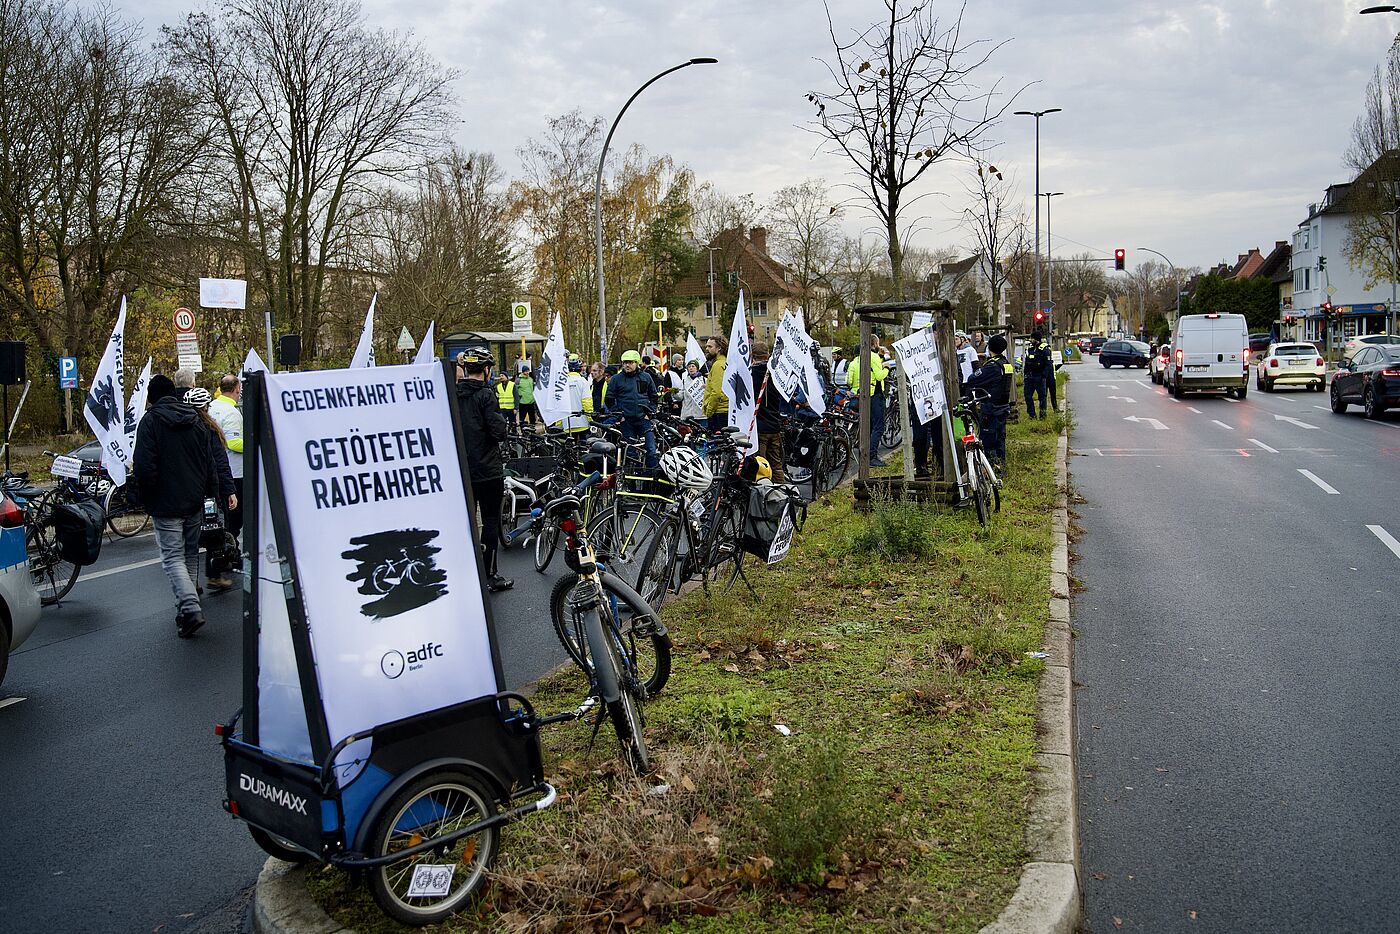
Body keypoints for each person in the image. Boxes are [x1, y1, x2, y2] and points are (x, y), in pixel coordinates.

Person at [134, 375, 232, 638]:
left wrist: (147, 497)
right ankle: (186, 608)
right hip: (194, 501)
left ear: (152, 398)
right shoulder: (195, 421)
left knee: (172, 558)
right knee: (189, 554)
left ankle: (189, 607)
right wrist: (212, 496)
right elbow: (209, 463)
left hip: (166, 503)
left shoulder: (150, 422)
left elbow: (144, 467)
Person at [455, 349, 513, 592]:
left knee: (466, 522)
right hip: (487, 469)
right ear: (487, 370)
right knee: (490, 521)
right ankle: (489, 574)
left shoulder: (453, 395)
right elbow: (497, 431)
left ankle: (465, 574)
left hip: (462, 469)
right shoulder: (486, 395)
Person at [207, 375, 246, 588]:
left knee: (224, 519)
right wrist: (256, 443)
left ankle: (229, 554)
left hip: (217, 472)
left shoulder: (212, 407)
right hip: (234, 472)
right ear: (237, 390)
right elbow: (234, 442)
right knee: (234, 519)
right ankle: (229, 555)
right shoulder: (231, 412)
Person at [964, 334, 1013, 468]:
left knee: (989, 440)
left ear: (990, 347)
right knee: (1000, 439)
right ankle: (1001, 466)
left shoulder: (992, 366)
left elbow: (972, 379)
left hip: (991, 408)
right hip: (1002, 406)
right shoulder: (1006, 363)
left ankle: (992, 468)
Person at [606, 349, 659, 467]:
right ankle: (631, 482)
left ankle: (651, 479)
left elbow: (654, 397)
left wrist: (649, 413)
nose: (627, 365)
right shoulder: (616, 379)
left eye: (630, 362)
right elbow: (609, 399)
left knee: (651, 450)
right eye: (625, 362)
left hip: (643, 420)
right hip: (627, 421)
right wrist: (619, 415)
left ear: (637, 363)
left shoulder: (646, 377)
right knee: (629, 453)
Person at [845, 345, 890, 467]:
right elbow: (879, 375)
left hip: (860, 395)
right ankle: (871, 456)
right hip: (875, 394)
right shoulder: (873, 356)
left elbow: (848, 380)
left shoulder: (856, 361)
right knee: (878, 427)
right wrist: (887, 367)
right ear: (874, 344)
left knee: (868, 426)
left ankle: (865, 454)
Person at [748, 341, 786, 482]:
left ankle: (764, 496)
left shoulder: (751, 374)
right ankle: (781, 492)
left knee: (760, 465)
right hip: (774, 425)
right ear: (768, 355)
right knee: (776, 464)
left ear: (752, 355)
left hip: (759, 428)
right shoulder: (777, 373)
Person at [1022, 329, 1053, 419]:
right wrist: (1025, 374)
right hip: (1029, 377)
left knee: (1042, 397)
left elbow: (1048, 364)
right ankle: (1032, 415)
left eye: (1031, 338)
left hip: (1039, 376)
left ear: (1036, 339)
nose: (1030, 340)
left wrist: (1044, 376)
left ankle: (1043, 416)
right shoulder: (1030, 349)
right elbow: (1027, 363)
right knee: (1028, 396)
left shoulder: (1044, 349)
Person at [702, 336, 729, 430]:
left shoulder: (718, 365)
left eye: (710, 346)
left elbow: (716, 392)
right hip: (724, 411)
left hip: (719, 412)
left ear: (719, 348)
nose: (707, 349)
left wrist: (709, 411)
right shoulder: (725, 362)